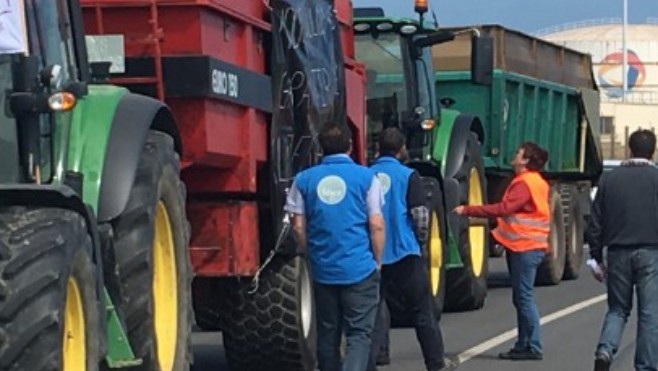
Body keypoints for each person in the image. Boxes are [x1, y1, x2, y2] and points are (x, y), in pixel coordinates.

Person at [285, 121, 386, 371]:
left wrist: (311, 252)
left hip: (323, 269)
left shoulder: (303, 179)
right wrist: (378, 260)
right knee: (359, 335)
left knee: (328, 334)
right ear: (350, 146)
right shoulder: (366, 177)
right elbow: (376, 225)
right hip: (360, 268)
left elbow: (297, 226)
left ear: (321, 149)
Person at [454, 142, 550, 361]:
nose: (514, 155)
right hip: (529, 246)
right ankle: (524, 343)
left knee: (524, 297)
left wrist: (468, 209)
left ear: (525, 160)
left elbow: (504, 209)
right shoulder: (537, 182)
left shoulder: (524, 183)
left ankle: (532, 345)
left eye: (518, 153)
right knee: (521, 297)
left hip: (523, 247)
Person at [367, 128, 450, 371]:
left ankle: (374, 360)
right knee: (423, 312)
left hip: (373, 254)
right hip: (404, 252)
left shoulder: (366, 175)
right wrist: (420, 243)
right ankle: (435, 363)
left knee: (374, 310)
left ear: (378, 148)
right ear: (401, 149)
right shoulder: (408, 175)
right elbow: (420, 215)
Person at [589, 129, 658, 371]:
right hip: (651, 251)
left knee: (618, 308)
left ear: (630, 148)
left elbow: (595, 221)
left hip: (617, 251)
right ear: (653, 150)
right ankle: (646, 365)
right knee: (649, 312)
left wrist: (596, 256)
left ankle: (605, 350)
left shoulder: (610, 179)